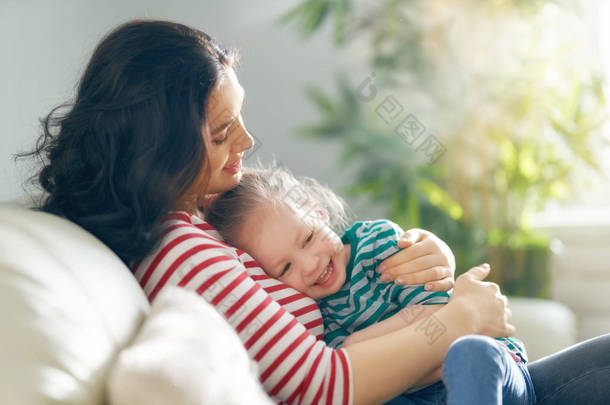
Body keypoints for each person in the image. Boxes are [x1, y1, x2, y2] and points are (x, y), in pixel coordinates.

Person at [19, 19, 609, 404]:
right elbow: (323, 383)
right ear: (164, 148)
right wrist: (458, 321)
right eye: (224, 132)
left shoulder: (208, 209)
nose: (247, 143)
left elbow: (353, 249)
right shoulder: (181, 250)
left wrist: (429, 254)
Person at [205, 165, 534, 404]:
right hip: (421, 396)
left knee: (469, 352)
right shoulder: (311, 313)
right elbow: (358, 383)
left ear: (319, 214)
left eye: (307, 238)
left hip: (494, 380)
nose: (310, 265)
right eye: (285, 268)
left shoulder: (377, 245)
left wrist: (355, 345)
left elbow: (438, 314)